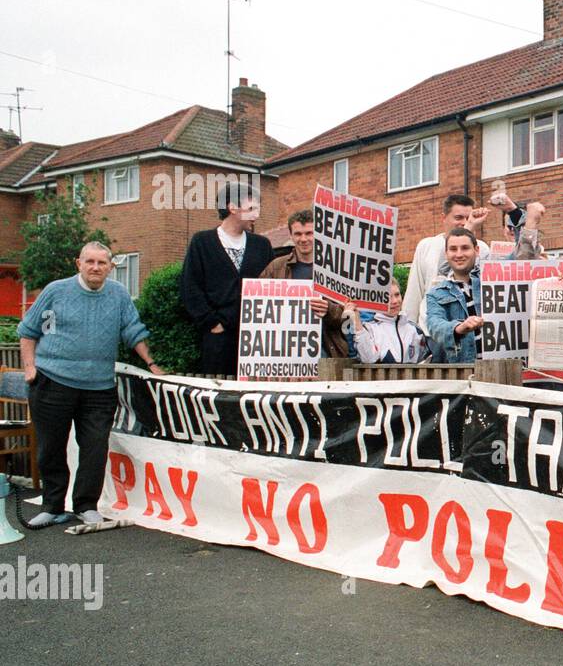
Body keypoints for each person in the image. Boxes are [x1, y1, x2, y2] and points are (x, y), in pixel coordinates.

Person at [17, 242, 166, 528]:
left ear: (111, 267)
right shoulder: (56, 291)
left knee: (95, 447)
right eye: (90, 262)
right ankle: (52, 506)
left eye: (102, 263)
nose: (95, 268)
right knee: (51, 447)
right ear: (79, 264)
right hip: (52, 381)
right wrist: (29, 368)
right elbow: (28, 330)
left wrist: (151, 363)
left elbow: (132, 330)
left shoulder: (119, 295)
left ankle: (86, 505)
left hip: (99, 387)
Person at [179, 182, 274, 375]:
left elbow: (273, 286)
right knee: (218, 394)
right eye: (251, 209)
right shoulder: (202, 242)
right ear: (232, 207)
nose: (256, 215)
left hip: (256, 338)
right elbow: (190, 287)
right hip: (218, 338)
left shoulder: (262, 245)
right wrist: (212, 324)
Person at [259, 209, 348, 358]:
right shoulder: (275, 267)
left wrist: (329, 309)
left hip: (325, 350)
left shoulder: (335, 270)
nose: (303, 239)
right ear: (291, 236)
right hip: (285, 351)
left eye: (309, 233)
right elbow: (256, 307)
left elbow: (349, 318)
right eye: (298, 234)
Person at [402, 194, 490, 331]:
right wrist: (408, 330)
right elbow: (415, 290)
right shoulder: (427, 245)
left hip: (473, 329)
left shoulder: (482, 248)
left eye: (468, 218)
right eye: (458, 218)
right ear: (444, 217)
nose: (464, 222)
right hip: (432, 331)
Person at [424, 227, 482, 364]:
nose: (459, 254)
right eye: (453, 249)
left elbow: (520, 257)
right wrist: (458, 328)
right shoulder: (435, 293)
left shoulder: (493, 279)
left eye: (465, 248)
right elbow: (434, 325)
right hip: (464, 375)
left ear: (477, 250)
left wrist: (518, 215)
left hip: (500, 371)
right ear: (446, 254)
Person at [342, 282, 429, 364]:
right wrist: (357, 322)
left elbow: (425, 361)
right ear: (378, 299)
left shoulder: (415, 330)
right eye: (388, 297)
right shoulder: (369, 329)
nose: (394, 301)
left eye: (397, 295)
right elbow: (368, 359)